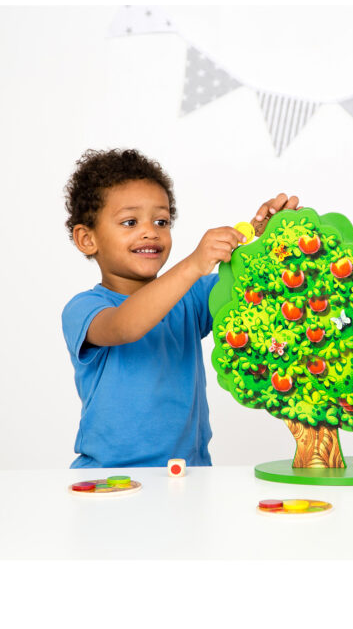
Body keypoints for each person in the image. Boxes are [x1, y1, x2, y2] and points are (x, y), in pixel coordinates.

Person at [62, 148, 299, 468]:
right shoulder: (85, 308)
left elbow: (264, 290)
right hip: (108, 480)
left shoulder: (193, 296)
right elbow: (126, 326)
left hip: (189, 475)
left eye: (161, 221)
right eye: (130, 222)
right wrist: (193, 264)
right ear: (87, 239)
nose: (150, 231)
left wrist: (275, 237)